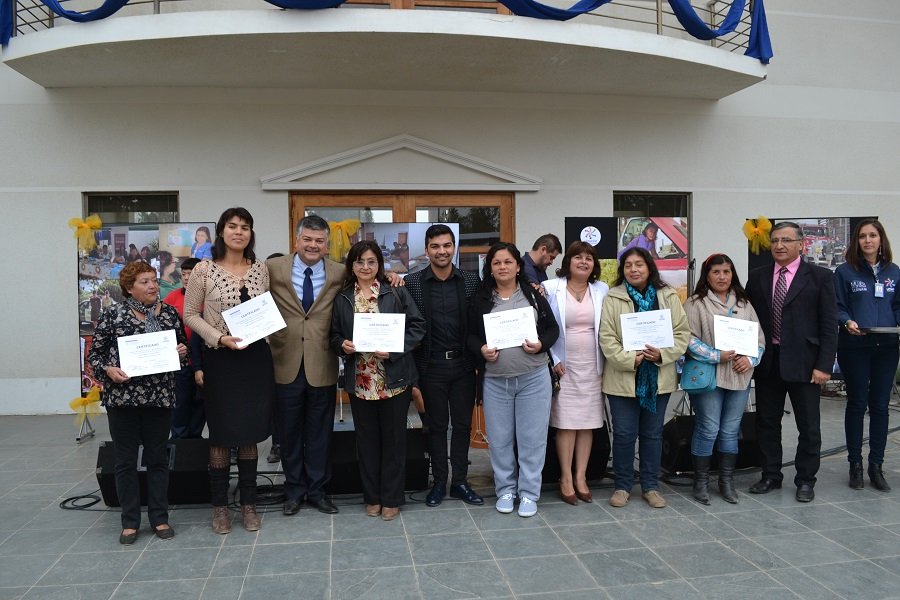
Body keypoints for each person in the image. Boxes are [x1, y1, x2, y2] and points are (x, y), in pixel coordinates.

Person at [184, 207, 275, 533]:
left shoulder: (260, 269)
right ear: (221, 231)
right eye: (233, 226)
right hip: (220, 360)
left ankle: (248, 504)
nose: (239, 231)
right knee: (222, 435)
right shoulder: (204, 271)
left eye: (246, 227)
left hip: (254, 360)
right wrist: (219, 337)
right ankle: (220, 506)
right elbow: (190, 315)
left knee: (249, 433)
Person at [87, 261, 188, 544]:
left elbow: (183, 350)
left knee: (158, 459)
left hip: (160, 397)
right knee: (125, 461)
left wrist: (182, 351)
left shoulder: (169, 313)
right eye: (144, 282)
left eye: (153, 280)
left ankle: (159, 518)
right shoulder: (114, 314)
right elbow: (95, 356)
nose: (153, 286)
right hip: (123, 399)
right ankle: (130, 521)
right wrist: (108, 369)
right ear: (129, 288)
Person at [330, 241, 425, 521]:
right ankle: (372, 496)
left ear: (379, 265)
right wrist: (342, 345)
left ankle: (392, 498)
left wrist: (395, 349)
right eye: (359, 262)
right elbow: (334, 335)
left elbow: (418, 326)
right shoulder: (343, 297)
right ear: (352, 266)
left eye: (371, 262)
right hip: (360, 381)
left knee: (394, 443)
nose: (366, 267)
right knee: (367, 443)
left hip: (393, 379)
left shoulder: (394, 291)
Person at [746, 221, 838, 503]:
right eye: (774, 241)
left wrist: (824, 365)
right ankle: (771, 475)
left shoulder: (820, 277)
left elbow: (829, 324)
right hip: (768, 363)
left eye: (786, 240)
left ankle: (806, 480)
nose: (779, 246)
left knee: (808, 426)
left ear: (801, 244)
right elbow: (748, 321)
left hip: (806, 363)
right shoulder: (758, 277)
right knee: (766, 423)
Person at [467, 242, 560, 517]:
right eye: (497, 263)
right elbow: (470, 336)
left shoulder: (532, 295)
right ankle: (505, 490)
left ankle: (529, 493)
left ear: (518, 266)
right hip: (496, 381)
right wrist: (481, 350)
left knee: (532, 439)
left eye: (508, 262)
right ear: (490, 268)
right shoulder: (481, 298)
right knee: (500, 439)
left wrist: (541, 345)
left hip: (533, 378)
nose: (503, 267)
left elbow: (552, 329)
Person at [599, 247, 690, 509]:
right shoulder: (613, 297)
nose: (634, 270)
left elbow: (682, 333)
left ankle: (651, 486)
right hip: (622, 379)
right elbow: (606, 337)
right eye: (628, 265)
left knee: (652, 434)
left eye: (639, 264)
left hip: (658, 376)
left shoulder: (668, 295)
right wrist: (630, 359)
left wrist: (662, 354)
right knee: (625, 434)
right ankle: (622, 486)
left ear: (649, 267)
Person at [267, 218, 345, 515]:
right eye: (308, 239)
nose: (313, 245)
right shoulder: (273, 269)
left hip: (322, 361)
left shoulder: (339, 271)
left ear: (327, 244)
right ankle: (294, 490)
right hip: (283, 360)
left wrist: (391, 276)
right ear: (297, 240)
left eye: (319, 241)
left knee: (319, 433)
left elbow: (366, 283)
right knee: (288, 433)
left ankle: (317, 490)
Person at [405, 224, 484, 508]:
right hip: (430, 366)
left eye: (447, 245)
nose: (442, 251)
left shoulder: (470, 281)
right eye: (435, 246)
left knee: (462, 427)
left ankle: (460, 481)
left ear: (454, 247)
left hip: (463, 366)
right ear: (426, 251)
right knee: (437, 428)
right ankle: (439, 482)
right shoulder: (412, 283)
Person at [683, 254, 764, 505]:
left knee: (730, 430)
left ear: (733, 275)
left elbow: (759, 340)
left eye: (726, 272)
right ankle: (701, 481)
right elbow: (687, 338)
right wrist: (716, 356)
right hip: (710, 376)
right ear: (707, 275)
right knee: (708, 429)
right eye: (716, 272)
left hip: (739, 376)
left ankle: (726, 482)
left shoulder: (743, 303)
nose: (721, 277)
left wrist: (750, 359)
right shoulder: (696, 303)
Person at [834, 218, 899, 492]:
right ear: (856, 241)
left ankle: (876, 465)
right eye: (863, 236)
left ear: (881, 239)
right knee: (858, 403)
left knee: (881, 406)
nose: (868, 240)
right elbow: (837, 306)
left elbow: (898, 305)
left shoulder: (894, 271)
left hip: (887, 346)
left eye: (873, 235)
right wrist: (847, 322)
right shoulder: (845, 272)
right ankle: (855, 465)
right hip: (855, 346)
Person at [542, 241, 609, 505]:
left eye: (589, 258)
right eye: (578, 257)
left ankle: (581, 476)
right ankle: (566, 477)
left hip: (593, 365)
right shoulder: (550, 288)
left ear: (594, 265)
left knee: (588, 423)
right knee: (566, 424)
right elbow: (542, 327)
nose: (583, 262)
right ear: (568, 262)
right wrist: (553, 358)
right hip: (563, 365)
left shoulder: (601, 289)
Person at [163, 257, 206, 439]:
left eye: (191, 273)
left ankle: (195, 443)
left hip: (203, 362)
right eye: (184, 274)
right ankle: (179, 444)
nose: (187, 277)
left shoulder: (210, 298)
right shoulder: (172, 297)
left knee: (200, 404)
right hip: (180, 362)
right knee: (180, 404)